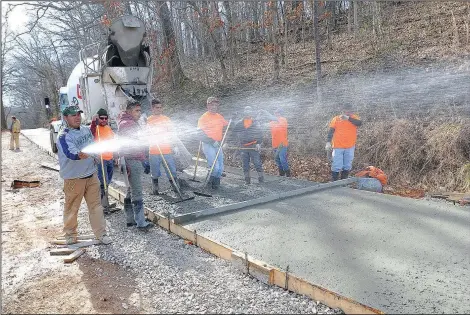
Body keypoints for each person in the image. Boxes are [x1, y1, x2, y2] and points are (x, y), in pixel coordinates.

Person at [57, 105, 112, 245]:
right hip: (74, 179)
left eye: (78, 114)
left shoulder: (86, 130)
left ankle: (101, 233)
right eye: (72, 115)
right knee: (71, 208)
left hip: (91, 175)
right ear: (65, 118)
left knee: (96, 207)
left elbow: (93, 145)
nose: (77, 117)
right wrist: (83, 154)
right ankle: (70, 234)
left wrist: (96, 154)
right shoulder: (64, 136)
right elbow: (71, 153)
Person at [118, 100, 154, 230]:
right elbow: (135, 145)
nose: (139, 113)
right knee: (137, 191)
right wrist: (143, 159)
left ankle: (130, 219)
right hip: (132, 160)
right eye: (136, 111)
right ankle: (141, 222)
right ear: (129, 111)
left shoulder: (127, 122)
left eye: (140, 110)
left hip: (132, 159)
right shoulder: (128, 124)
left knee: (130, 190)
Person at [147, 99, 187, 194]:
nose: (159, 109)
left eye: (160, 107)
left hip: (167, 150)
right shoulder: (148, 121)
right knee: (155, 172)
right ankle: (155, 189)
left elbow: (172, 134)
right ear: (152, 108)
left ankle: (176, 187)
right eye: (157, 107)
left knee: (172, 170)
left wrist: (175, 146)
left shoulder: (166, 119)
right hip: (154, 151)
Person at [197, 97, 229, 189]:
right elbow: (199, 134)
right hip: (208, 144)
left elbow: (228, 127)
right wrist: (211, 141)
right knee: (215, 167)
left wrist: (233, 120)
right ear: (208, 105)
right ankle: (211, 184)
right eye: (212, 105)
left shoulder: (219, 116)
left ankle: (214, 185)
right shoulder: (203, 118)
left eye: (216, 105)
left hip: (218, 144)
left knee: (221, 168)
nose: (214, 107)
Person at [325, 103, 362, 181]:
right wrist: (328, 142)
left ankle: (343, 183)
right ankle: (334, 183)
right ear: (343, 111)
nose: (349, 113)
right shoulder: (336, 119)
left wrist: (348, 118)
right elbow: (331, 131)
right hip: (338, 146)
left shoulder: (354, 118)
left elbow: (359, 123)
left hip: (350, 146)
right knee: (336, 166)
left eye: (350, 112)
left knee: (347, 165)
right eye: (347, 112)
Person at [90, 108, 115, 210]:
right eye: (101, 118)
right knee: (103, 181)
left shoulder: (108, 128)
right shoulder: (95, 128)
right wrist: (93, 122)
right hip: (101, 159)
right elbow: (90, 132)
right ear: (98, 118)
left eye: (106, 118)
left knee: (108, 181)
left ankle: (105, 202)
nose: (104, 120)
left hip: (110, 158)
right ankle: (103, 205)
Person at [233, 106, 264, 184]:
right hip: (243, 147)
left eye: (249, 111)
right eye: (246, 111)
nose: (248, 113)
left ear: (251, 112)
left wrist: (258, 143)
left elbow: (260, 133)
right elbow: (232, 133)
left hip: (253, 146)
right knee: (245, 165)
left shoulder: (255, 122)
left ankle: (261, 178)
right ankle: (247, 180)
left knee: (257, 163)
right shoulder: (240, 123)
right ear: (244, 112)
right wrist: (227, 142)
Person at [262, 108, 290, 177]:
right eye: (275, 113)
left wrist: (266, 112)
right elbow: (265, 125)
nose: (276, 114)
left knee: (282, 159)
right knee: (277, 159)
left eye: (277, 113)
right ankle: (281, 173)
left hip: (282, 144)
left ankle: (288, 174)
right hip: (275, 144)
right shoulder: (273, 122)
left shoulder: (283, 120)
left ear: (280, 113)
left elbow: (276, 120)